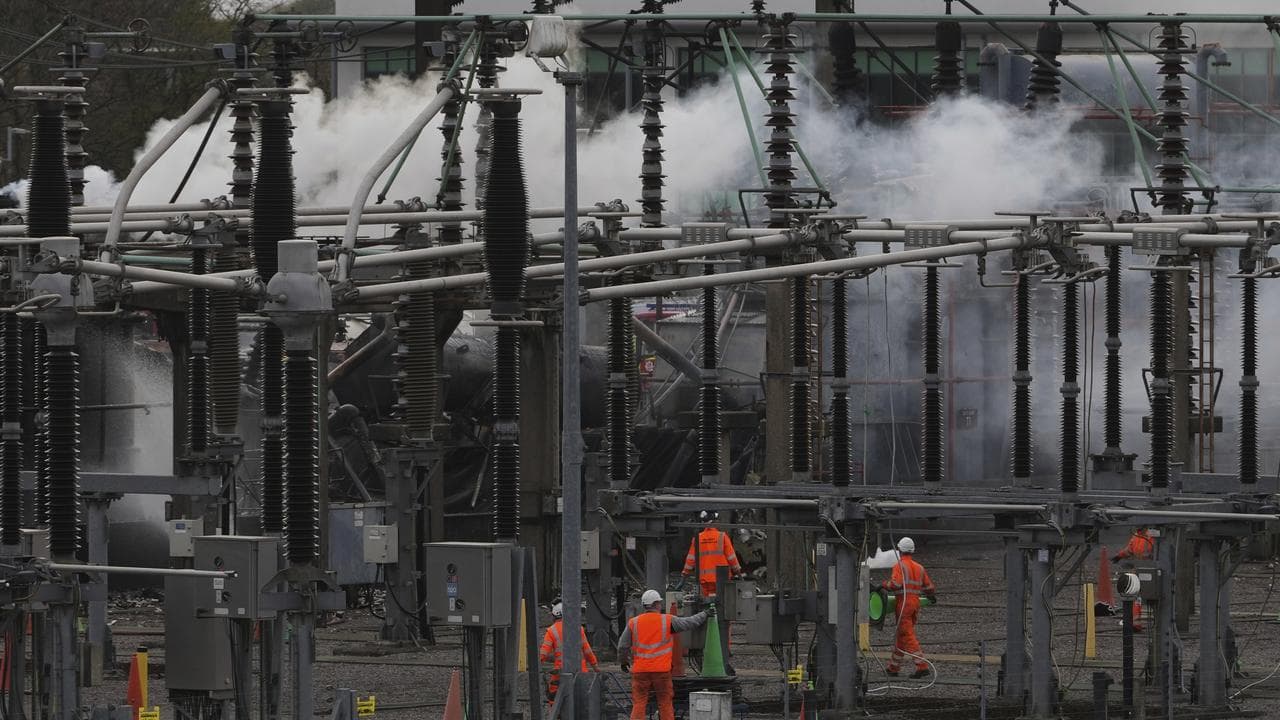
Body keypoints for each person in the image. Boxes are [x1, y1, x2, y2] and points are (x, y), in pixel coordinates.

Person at [619, 589, 710, 720]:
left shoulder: (634, 622)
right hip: (661, 671)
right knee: (665, 702)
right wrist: (705, 614)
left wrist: (623, 662)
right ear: (656, 604)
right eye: (659, 603)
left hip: (640, 671)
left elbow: (623, 645)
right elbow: (690, 622)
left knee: (639, 703)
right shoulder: (667, 620)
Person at [883, 537, 936, 678]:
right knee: (902, 635)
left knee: (908, 635)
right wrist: (930, 595)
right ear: (912, 551)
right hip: (915, 603)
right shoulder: (919, 567)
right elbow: (929, 587)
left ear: (899, 550)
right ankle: (893, 668)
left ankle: (922, 666)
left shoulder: (899, 566)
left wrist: (883, 585)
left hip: (904, 603)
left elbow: (896, 584)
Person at [539, 602, 600, 706]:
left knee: (555, 700)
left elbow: (543, 654)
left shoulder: (551, 631)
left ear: (554, 616)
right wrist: (596, 668)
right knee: (582, 703)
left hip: (561, 673)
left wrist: (536, 667)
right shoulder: (578, 629)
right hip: (581, 672)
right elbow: (588, 651)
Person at [679, 511, 743, 596]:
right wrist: (739, 575)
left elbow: (690, 560)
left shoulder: (698, 538)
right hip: (722, 579)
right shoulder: (722, 536)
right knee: (722, 603)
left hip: (704, 580)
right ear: (715, 522)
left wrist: (683, 577)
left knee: (707, 604)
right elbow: (732, 558)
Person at [1112, 528, 1155, 631]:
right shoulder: (1143, 535)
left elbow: (1130, 550)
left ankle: (1136, 623)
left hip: (1145, 569)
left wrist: (1119, 556)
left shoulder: (1143, 536)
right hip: (1146, 569)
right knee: (1143, 596)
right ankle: (1136, 623)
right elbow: (1130, 550)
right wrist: (1119, 555)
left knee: (1141, 596)